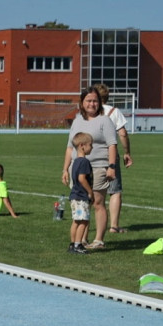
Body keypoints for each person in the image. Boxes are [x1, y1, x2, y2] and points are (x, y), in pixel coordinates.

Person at [61, 87, 116, 250]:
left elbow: (112, 145)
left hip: (97, 167)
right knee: (81, 204)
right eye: (88, 100)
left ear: (99, 103)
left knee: (97, 202)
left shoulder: (105, 121)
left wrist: (111, 166)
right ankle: (80, 240)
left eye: (95, 101)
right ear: (82, 103)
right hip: (76, 168)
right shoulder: (77, 120)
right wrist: (65, 169)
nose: (92, 104)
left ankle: (98, 240)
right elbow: (70, 147)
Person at [94, 84, 134, 234]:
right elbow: (122, 133)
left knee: (91, 190)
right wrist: (127, 152)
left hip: (91, 153)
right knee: (114, 191)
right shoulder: (114, 111)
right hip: (109, 154)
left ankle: (83, 226)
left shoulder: (90, 112)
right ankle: (113, 226)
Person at [67, 132, 94, 254]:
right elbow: (82, 178)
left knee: (76, 221)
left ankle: (72, 244)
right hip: (81, 197)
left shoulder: (75, 161)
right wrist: (90, 191)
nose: (92, 147)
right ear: (82, 146)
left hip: (74, 196)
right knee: (84, 221)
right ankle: (78, 245)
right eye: (90, 145)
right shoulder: (84, 162)